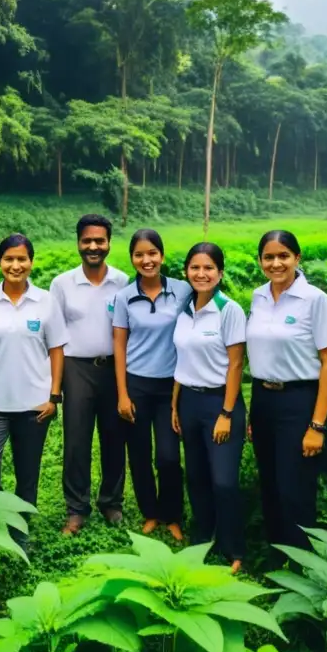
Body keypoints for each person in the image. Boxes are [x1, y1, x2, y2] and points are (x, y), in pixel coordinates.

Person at [0, 233, 68, 549]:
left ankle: (20, 534)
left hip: (34, 406)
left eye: (22, 259)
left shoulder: (47, 301)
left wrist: (54, 396)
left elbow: (57, 351)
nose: (15, 265)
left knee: (28, 474)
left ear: (31, 263)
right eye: (9, 259)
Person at [246, 230, 327, 553]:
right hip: (262, 400)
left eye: (283, 256)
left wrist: (317, 425)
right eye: (268, 257)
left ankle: (302, 563)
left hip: (299, 402)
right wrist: (252, 413)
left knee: (294, 488)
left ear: (297, 258)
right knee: (270, 484)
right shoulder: (257, 297)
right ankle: (277, 556)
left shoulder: (315, 300)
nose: (276, 263)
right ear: (260, 261)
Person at [49, 214, 130, 535]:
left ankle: (111, 502)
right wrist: (54, 385)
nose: (93, 246)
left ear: (109, 243)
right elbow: (53, 336)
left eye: (100, 241)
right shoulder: (62, 284)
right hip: (76, 369)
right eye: (87, 241)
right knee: (77, 440)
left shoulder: (123, 282)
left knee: (115, 437)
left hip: (114, 370)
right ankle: (76, 508)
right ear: (78, 243)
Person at [171, 242, 247, 573]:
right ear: (186, 271)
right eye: (195, 267)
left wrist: (227, 414)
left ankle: (234, 547)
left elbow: (236, 365)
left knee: (224, 480)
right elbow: (182, 359)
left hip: (220, 401)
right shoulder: (185, 309)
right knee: (197, 476)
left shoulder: (229, 310)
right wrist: (176, 404)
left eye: (209, 268)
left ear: (220, 273)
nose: (201, 274)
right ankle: (202, 537)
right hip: (188, 400)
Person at [112, 229, 191, 540]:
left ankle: (172, 514)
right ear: (132, 259)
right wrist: (122, 393)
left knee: (169, 456)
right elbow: (119, 345)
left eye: (152, 253)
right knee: (140, 453)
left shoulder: (183, 291)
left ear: (162, 255)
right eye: (139, 255)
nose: (147, 260)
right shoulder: (124, 296)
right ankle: (151, 512)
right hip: (137, 383)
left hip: (172, 386)